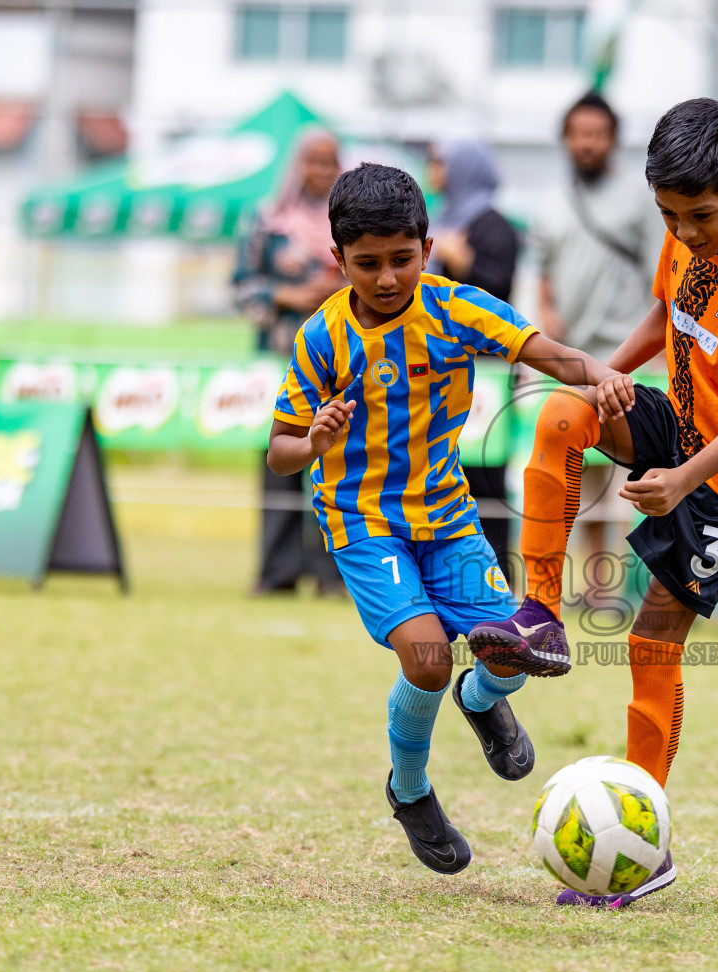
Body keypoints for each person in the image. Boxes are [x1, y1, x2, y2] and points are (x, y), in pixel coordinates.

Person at [465, 98, 718, 908]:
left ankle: (642, 849)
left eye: (699, 217)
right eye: (669, 216)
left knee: (653, 637)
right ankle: (539, 613)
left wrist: (682, 482)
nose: (685, 232)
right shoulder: (686, 228)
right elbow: (665, 311)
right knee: (560, 415)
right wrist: (603, 376)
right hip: (681, 425)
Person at [266, 163, 632, 876]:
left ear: (426, 251)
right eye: (366, 264)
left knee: (511, 651)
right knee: (427, 657)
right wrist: (312, 440)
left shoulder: (456, 309)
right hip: (364, 523)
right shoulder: (320, 338)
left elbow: (545, 353)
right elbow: (280, 452)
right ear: (338, 260)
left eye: (401, 260)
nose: (386, 278)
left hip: (449, 518)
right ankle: (410, 792)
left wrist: (605, 376)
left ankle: (480, 698)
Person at [533, 92, 662, 588]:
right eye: (578, 134)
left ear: (612, 140)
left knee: (626, 478)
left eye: (597, 134)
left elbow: (662, 278)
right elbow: (539, 265)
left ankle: (619, 587)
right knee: (578, 475)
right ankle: (586, 586)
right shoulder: (551, 200)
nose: (587, 144)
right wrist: (547, 312)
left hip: (634, 356)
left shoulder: (639, 199)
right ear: (566, 140)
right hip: (574, 359)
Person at [233, 128, 348, 596]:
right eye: (312, 161)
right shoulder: (266, 222)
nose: (321, 171)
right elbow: (239, 288)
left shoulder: (351, 223)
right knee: (279, 457)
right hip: (281, 359)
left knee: (336, 460)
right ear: (296, 165)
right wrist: (292, 295)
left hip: (340, 363)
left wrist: (339, 292)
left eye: (330, 162)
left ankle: (332, 576)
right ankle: (277, 572)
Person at [427, 138, 519, 581]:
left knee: (485, 478)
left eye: (441, 160)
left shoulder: (493, 226)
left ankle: (498, 574)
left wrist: (462, 264)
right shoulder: (443, 219)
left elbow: (497, 296)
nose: (434, 169)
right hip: (445, 373)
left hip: (487, 372)